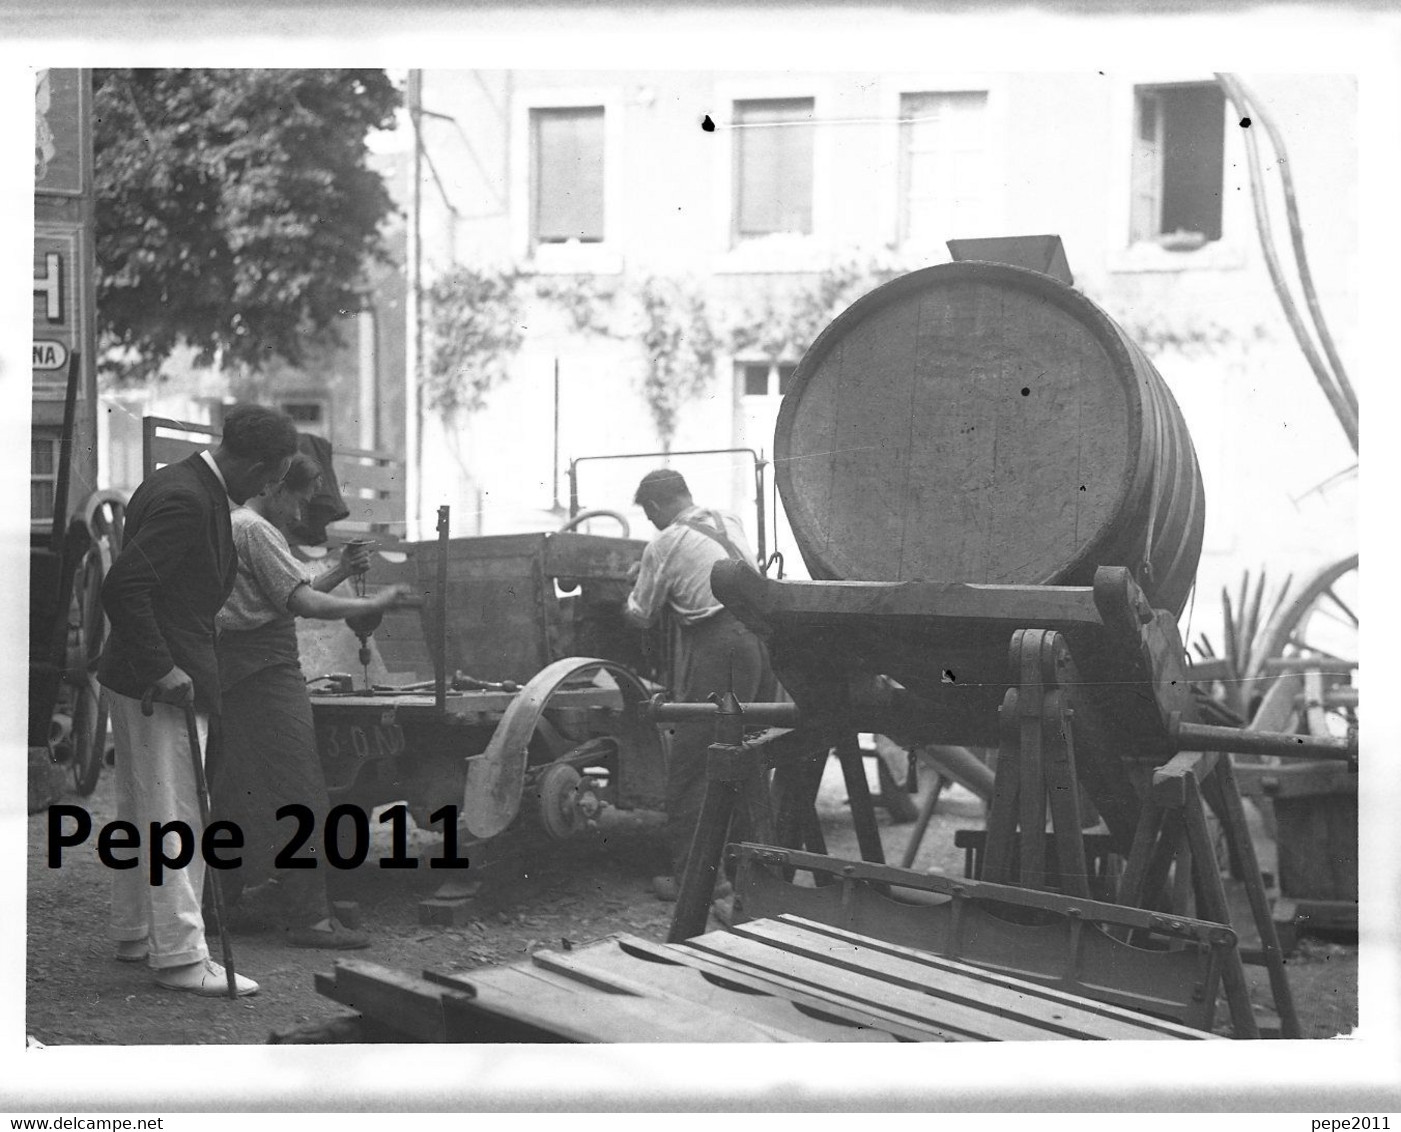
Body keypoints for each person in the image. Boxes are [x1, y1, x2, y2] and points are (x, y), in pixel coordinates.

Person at [99, 403, 300, 997]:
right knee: (178, 816)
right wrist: (164, 667)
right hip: (163, 680)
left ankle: (137, 933)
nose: (269, 487)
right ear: (249, 460)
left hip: (135, 674)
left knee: (143, 811)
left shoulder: (180, 482)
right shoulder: (189, 499)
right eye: (270, 474)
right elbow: (124, 586)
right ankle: (184, 957)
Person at [212, 452, 411, 948]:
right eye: (299, 499)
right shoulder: (255, 530)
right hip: (265, 674)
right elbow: (300, 601)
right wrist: (367, 604)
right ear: (275, 486)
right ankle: (310, 919)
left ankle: (217, 905)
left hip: (236, 672)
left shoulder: (233, 524)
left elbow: (286, 590)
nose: (302, 514)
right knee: (301, 792)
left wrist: (341, 571)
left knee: (235, 794)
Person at [622, 469, 778, 901]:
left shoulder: (664, 543)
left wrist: (634, 582)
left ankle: (696, 880)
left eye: (650, 515)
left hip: (721, 648)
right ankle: (751, 879)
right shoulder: (727, 518)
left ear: (654, 508)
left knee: (692, 765)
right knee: (747, 759)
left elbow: (641, 614)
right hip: (761, 646)